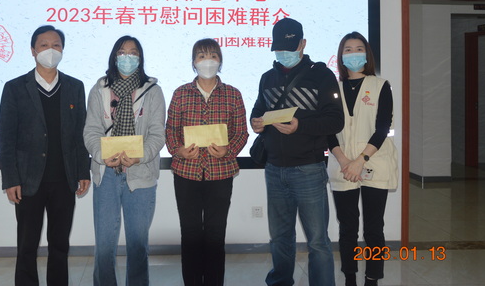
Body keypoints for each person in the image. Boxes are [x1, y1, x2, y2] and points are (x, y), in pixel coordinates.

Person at [250, 18, 344, 286]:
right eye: (279, 49)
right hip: (274, 169)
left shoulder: (322, 75)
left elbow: (335, 121)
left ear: (303, 43)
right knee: (280, 237)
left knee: (317, 241)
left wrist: (300, 125)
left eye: (289, 48)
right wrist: (255, 122)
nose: (284, 54)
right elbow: (258, 110)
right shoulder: (267, 78)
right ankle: (280, 281)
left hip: (309, 170)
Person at [0, 25, 91, 286]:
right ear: (33, 50)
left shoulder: (74, 86)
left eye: (56, 45)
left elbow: (80, 133)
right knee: (27, 245)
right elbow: (6, 138)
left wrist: (83, 171)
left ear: (63, 50)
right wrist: (10, 179)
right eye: (44, 45)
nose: (51, 50)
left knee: (59, 244)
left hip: (64, 179)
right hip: (28, 181)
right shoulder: (15, 88)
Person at [84, 35, 166, 286]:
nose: (127, 57)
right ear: (114, 56)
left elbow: (157, 134)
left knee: (138, 245)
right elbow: (91, 131)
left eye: (133, 53)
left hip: (140, 175)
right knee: (104, 246)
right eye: (122, 52)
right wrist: (102, 155)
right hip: (106, 174)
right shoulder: (99, 90)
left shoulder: (153, 91)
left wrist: (140, 156)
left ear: (140, 58)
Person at [165, 38, 248, 286]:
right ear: (194, 62)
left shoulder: (233, 94)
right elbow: (170, 131)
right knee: (190, 234)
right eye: (201, 56)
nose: (207, 61)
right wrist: (179, 150)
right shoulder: (181, 93)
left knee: (215, 234)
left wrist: (228, 150)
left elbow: (241, 132)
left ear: (220, 61)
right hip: (186, 173)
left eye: (213, 55)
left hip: (220, 174)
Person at [327, 32, 398, 286]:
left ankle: (372, 278)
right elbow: (328, 130)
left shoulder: (381, 85)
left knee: (373, 228)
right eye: (348, 49)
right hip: (343, 164)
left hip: (374, 162)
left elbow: (382, 128)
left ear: (367, 55)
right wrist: (345, 161)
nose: (354, 53)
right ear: (341, 56)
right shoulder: (332, 89)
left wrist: (360, 160)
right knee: (347, 227)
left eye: (359, 49)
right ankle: (350, 278)